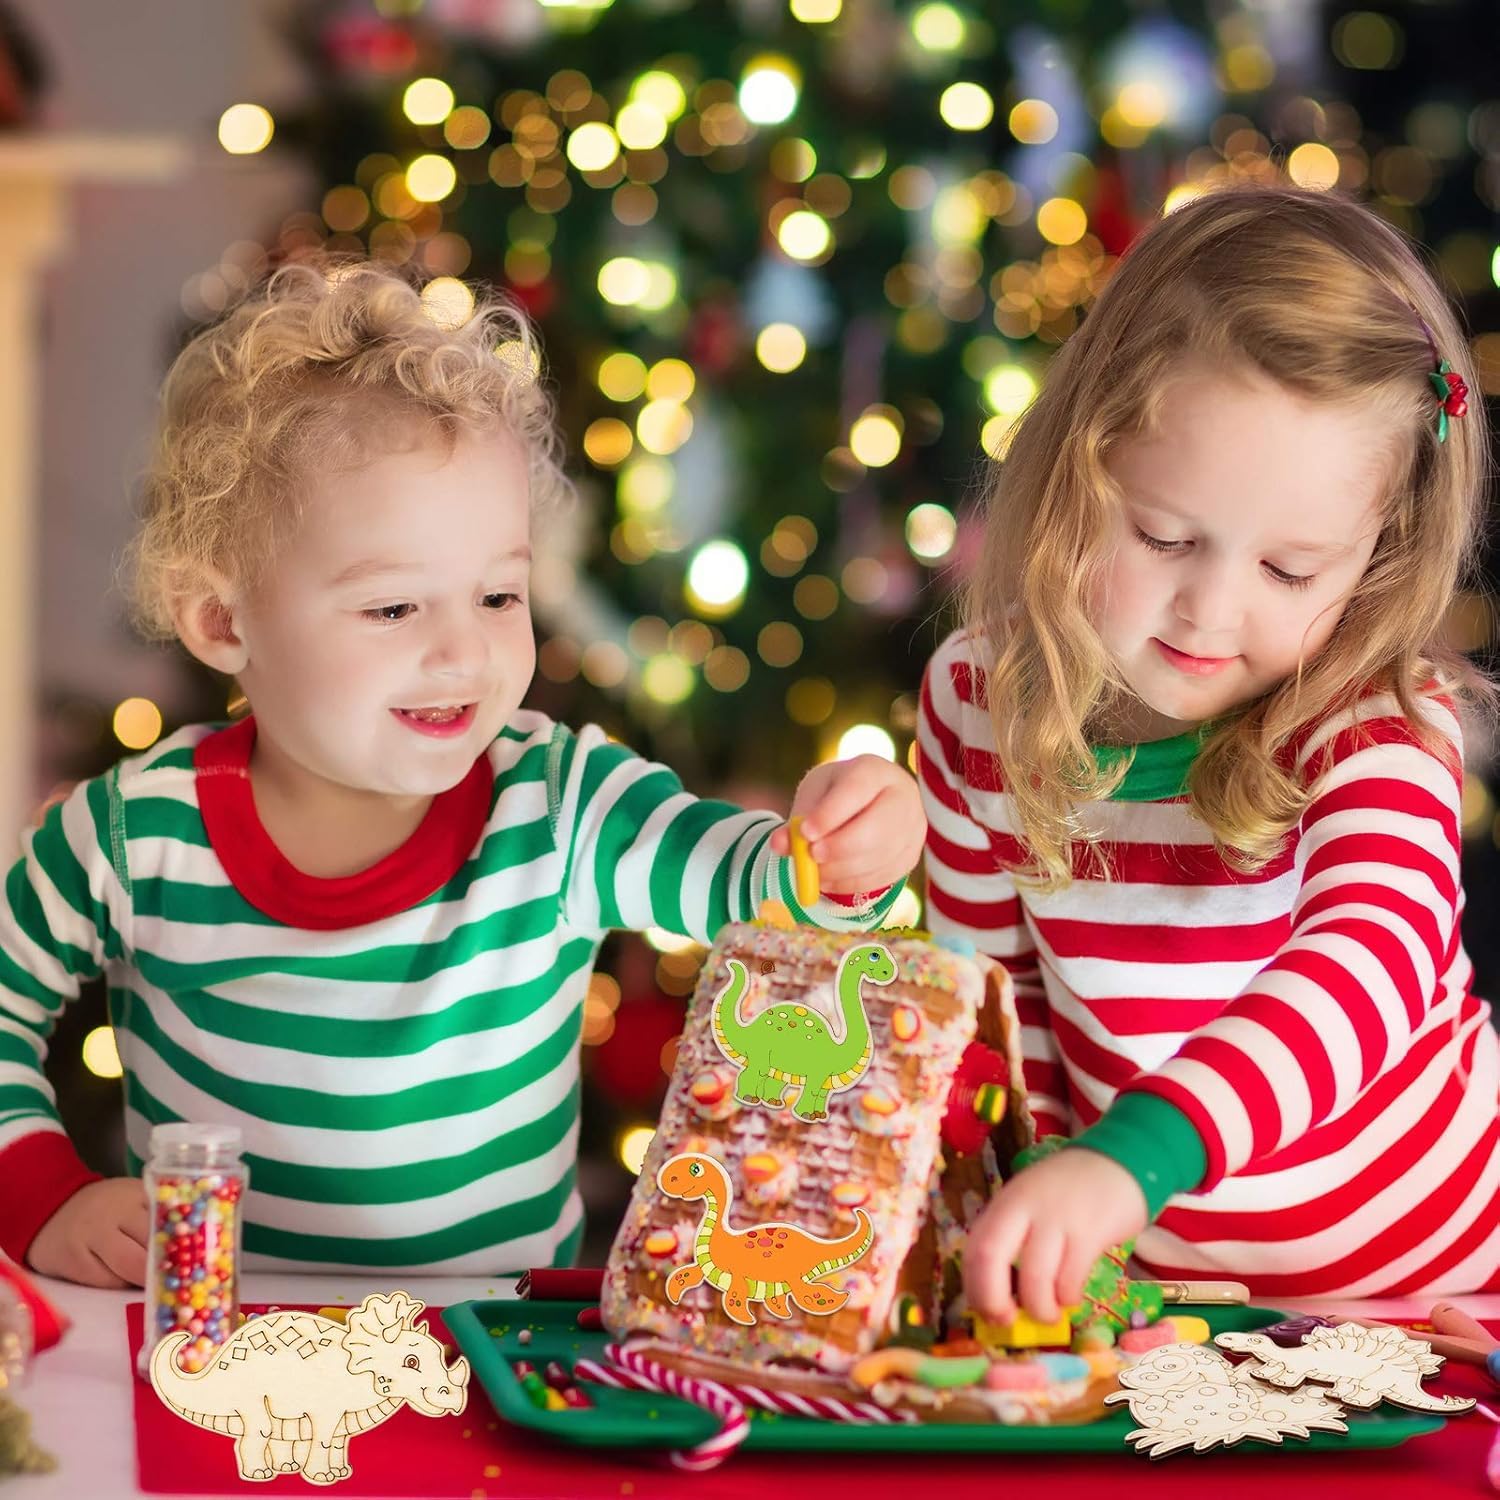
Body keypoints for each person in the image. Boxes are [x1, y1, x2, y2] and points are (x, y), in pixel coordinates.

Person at [0, 254, 925, 1286]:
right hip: (216, 1354)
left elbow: (762, 890)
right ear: (222, 621)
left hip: (491, 1363)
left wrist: (845, 850)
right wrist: (47, 1199)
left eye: (498, 597)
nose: (465, 654)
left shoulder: (561, 803)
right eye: (394, 606)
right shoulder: (134, 834)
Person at [918, 184, 1498, 1320]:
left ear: (1377, 555)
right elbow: (996, 1017)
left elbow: (1362, 972)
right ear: (1079, 465)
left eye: (1290, 571)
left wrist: (1133, 1157)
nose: (1210, 612)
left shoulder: (1382, 730)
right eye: (1165, 536)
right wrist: (1027, 1231)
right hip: (1162, 1316)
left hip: (1445, 1301)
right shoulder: (977, 704)